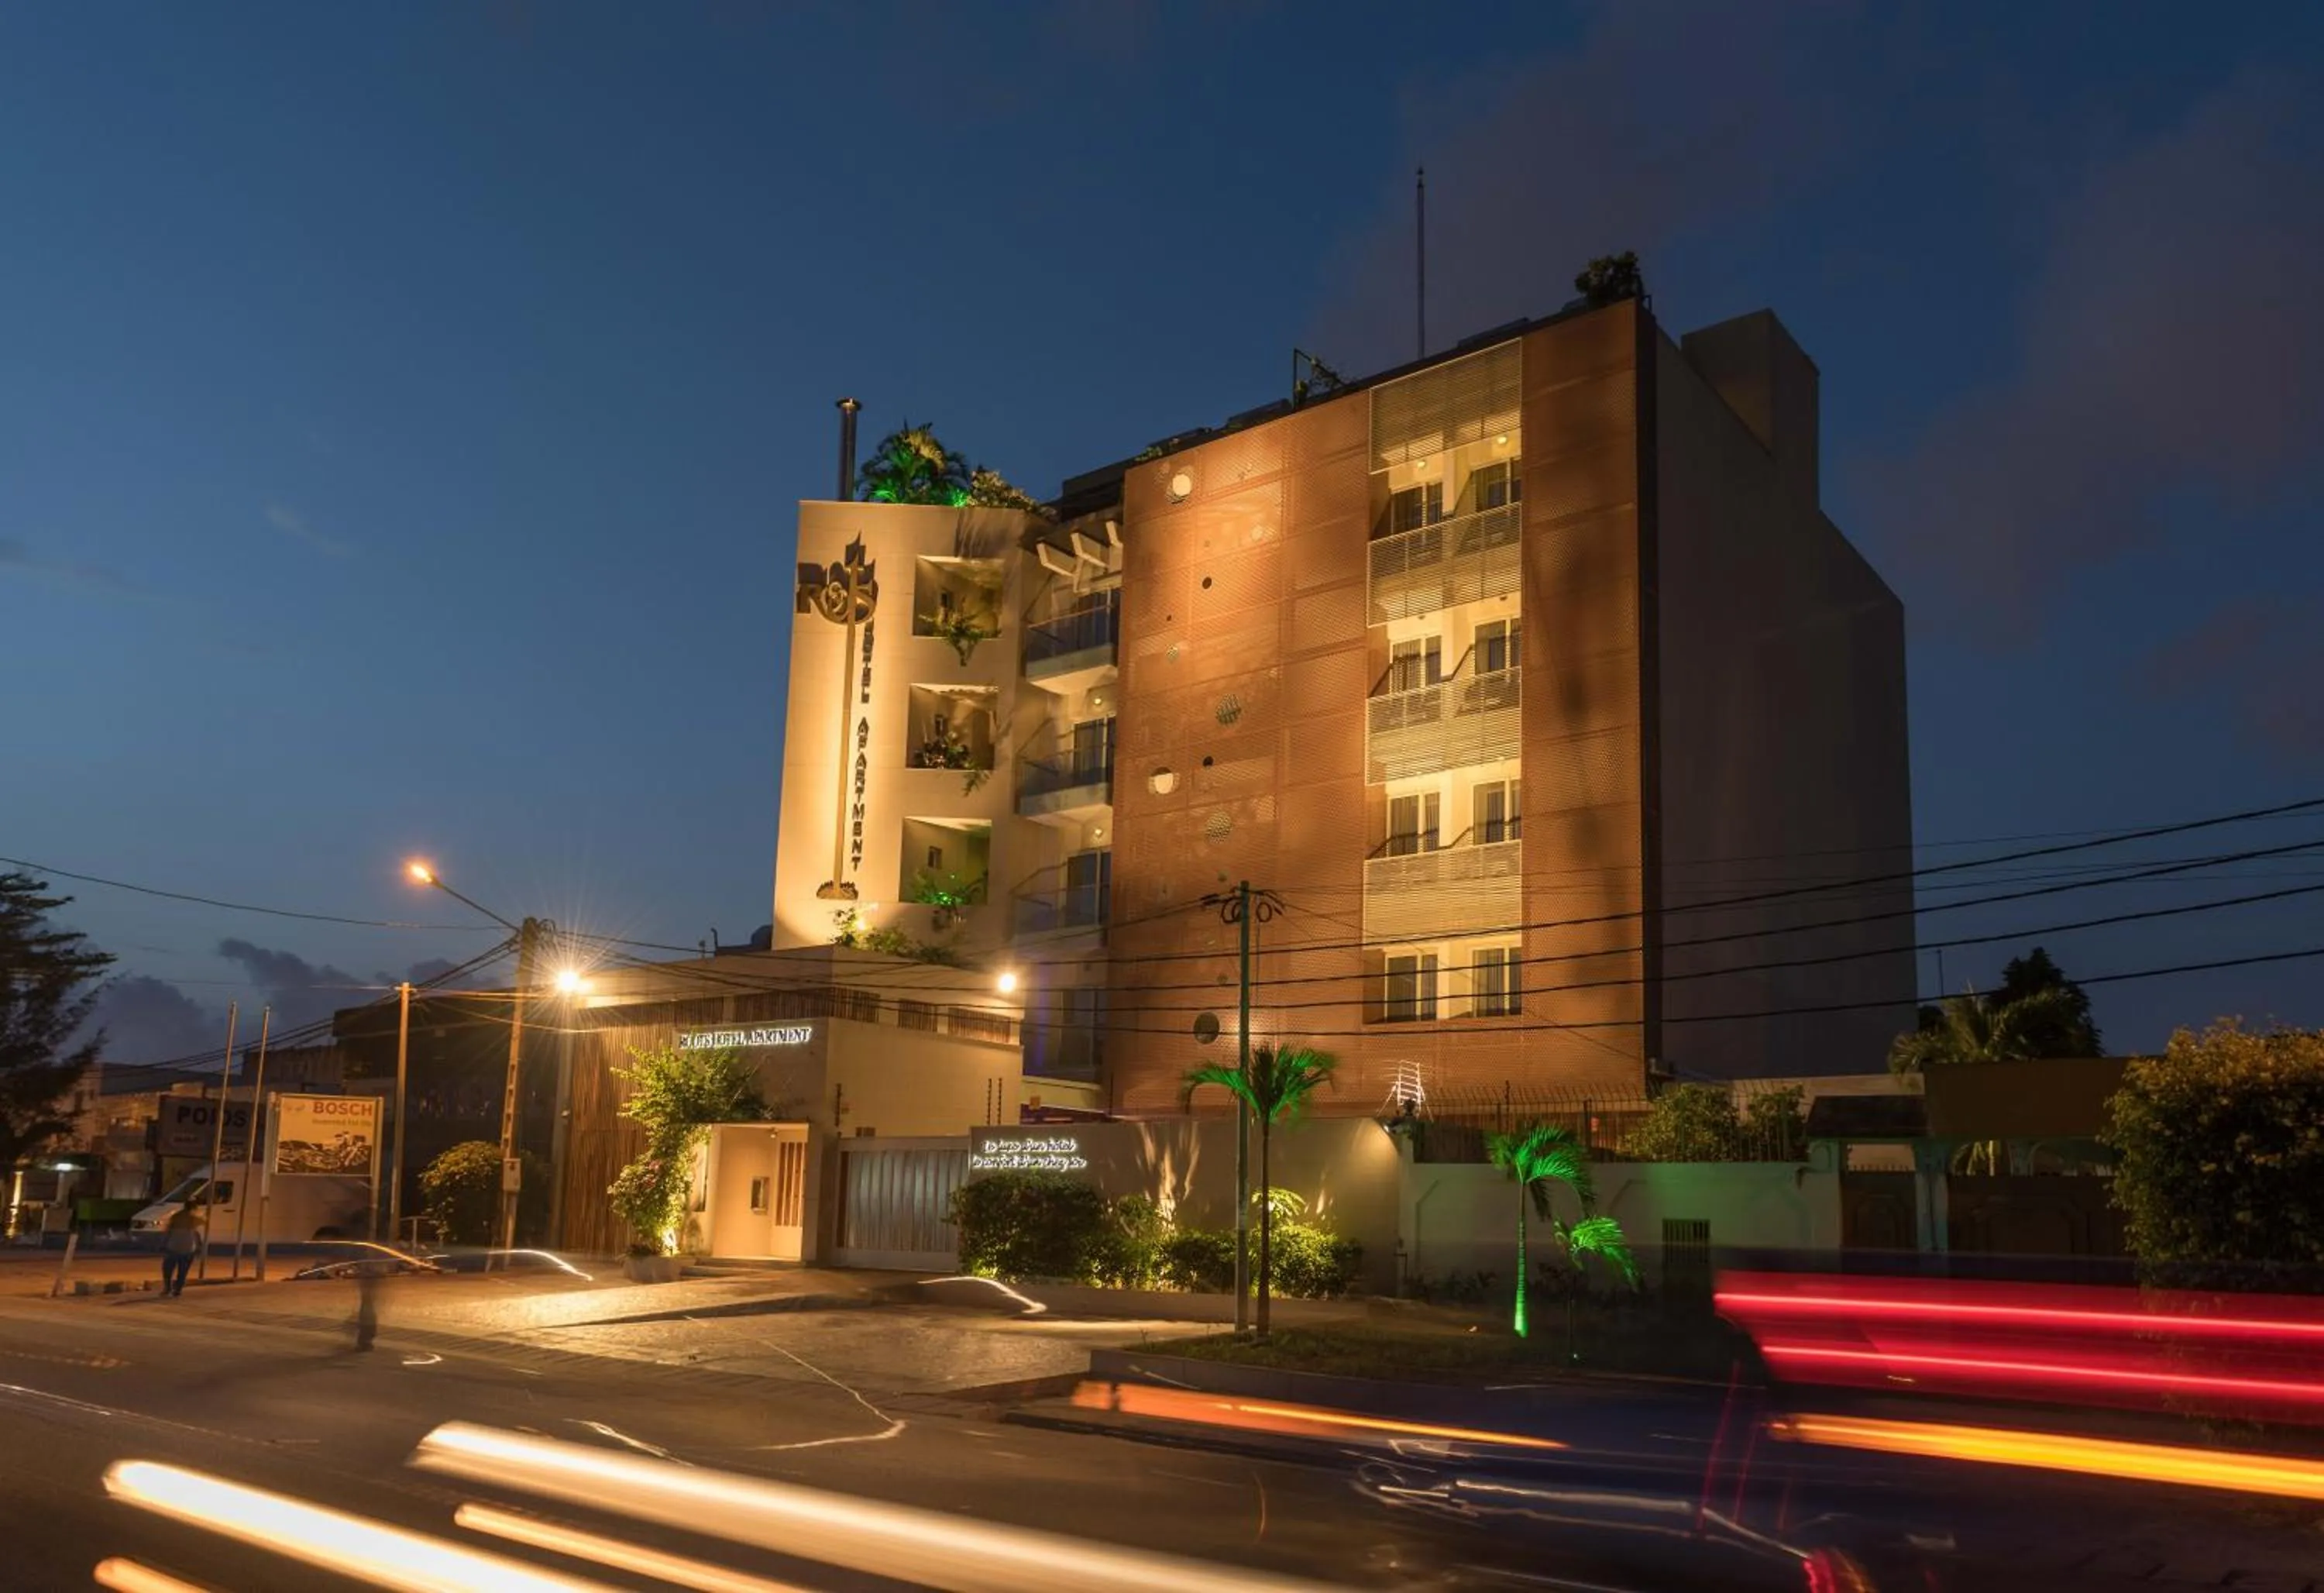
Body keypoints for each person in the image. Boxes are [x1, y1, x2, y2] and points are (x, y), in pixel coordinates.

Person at [160, 1203, 202, 1296]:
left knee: (168, 1269)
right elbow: (201, 1226)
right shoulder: (194, 1219)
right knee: (183, 1270)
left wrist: (163, 1245)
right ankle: (178, 1289)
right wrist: (199, 1248)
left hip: (173, 1246)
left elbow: (168, 1232)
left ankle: (167, 1287)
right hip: (188, 1248)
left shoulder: (175, 1216)